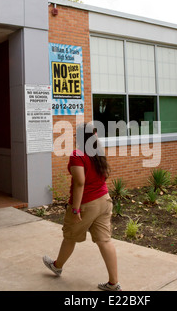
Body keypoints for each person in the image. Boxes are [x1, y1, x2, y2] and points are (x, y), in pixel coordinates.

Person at [43, 123, 121, 291]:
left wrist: (76, 209)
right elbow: (103, 175)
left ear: (78, 138)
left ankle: (57, 266)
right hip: (104, 200)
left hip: (86, 203)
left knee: (70, 237)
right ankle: (114, 283)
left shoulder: (77, 155)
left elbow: (80, 183)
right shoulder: (98, 153)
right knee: (104, 241)